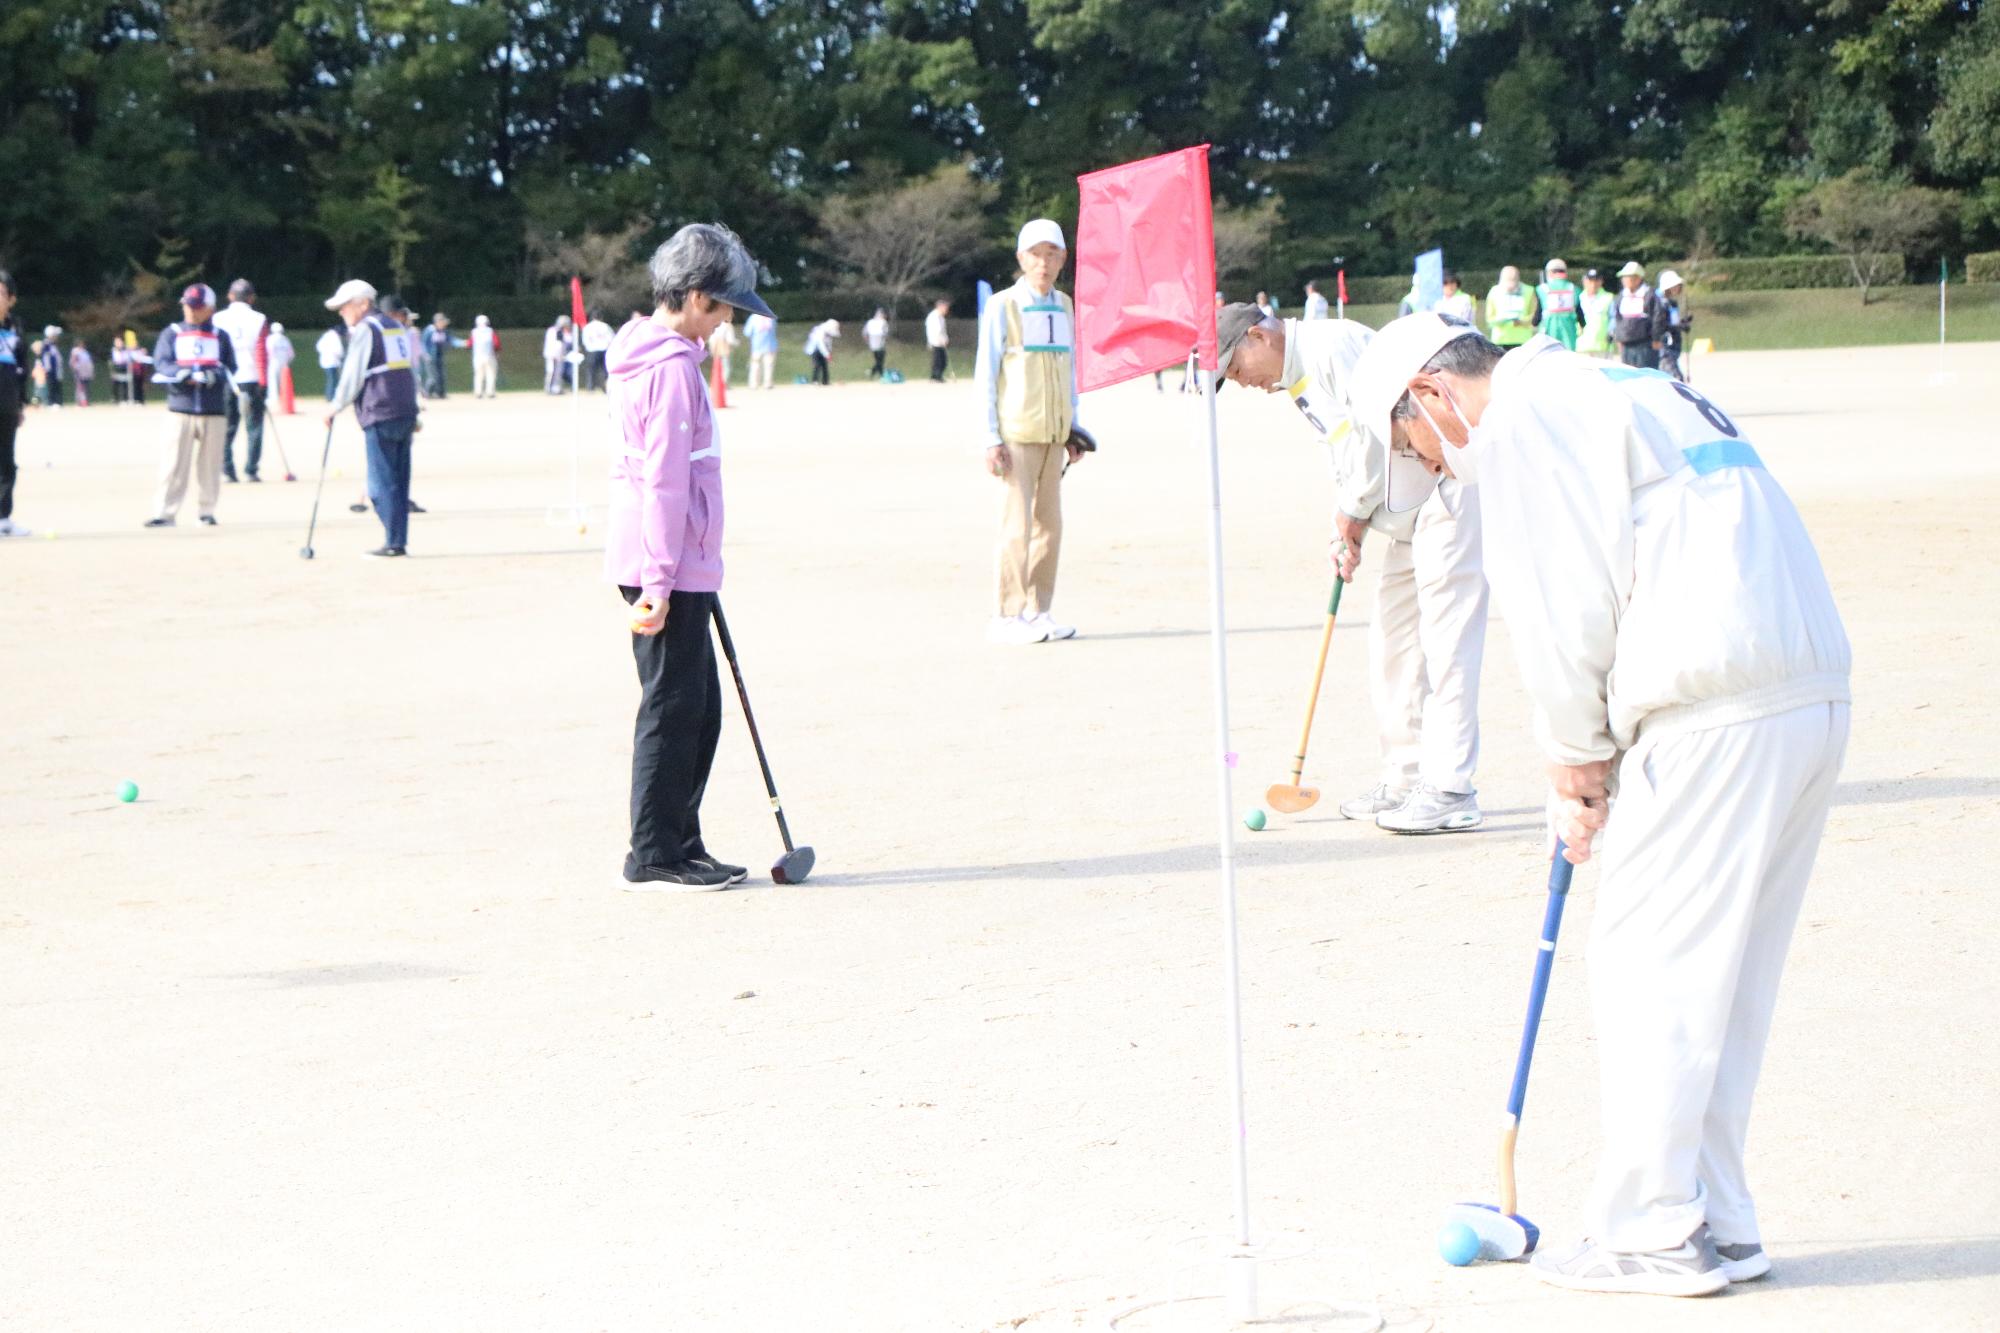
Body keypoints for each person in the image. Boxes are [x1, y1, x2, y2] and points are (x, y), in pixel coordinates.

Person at [1347, 313, 1849, 1298]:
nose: (1438, 471)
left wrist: (1575, 757)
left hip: (1712, 700)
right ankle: (1718, 1218)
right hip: (1805, 690)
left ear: (1432, 396)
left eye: (1417, 449)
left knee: (1646, 963)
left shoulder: (1522, 421)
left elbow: (1558, 596)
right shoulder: (1615, 385)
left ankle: (1650, 1230)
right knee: (1722, 979)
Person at [1216, 303, 1487, 832]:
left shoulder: (1330, 346)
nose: (1240, 381)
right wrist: (1354, 523)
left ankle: (1451, 786)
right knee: (1393, 647)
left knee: (1448, 646)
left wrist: (1352, 510)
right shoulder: (1296, 376)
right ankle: (1406, 778)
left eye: (1235, 366)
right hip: (1402, 513)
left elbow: (1376, 433)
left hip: (1443, 490)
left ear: (1257, 335)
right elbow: (1348, 454)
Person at [606, 222, 774, 891]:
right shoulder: (672, 369)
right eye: (728, 303)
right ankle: (653, 851)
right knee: (675, 706)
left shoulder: (648, 352)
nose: (731, 316)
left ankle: (680, 838)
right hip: (662, 565)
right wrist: (664, 579)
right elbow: (665, 482)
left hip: (674, 559)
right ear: (698, 297)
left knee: (698, 706)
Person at [976, 218, 1089, 645]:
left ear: (1062, 258)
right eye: (1036, 254)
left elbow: (1070, 368)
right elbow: (986, 372)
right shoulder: (1002, 305)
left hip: (1055, 433)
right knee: (1016, 526)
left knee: (1050, 526)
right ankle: (1006, 615)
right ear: (1021, 258)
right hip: (1017, 432)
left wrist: (1074, 429)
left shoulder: (1064, 304)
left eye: (1052, 254)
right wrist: (990, 436)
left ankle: (1039, 611)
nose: (1044, 263)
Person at [324, 281, 421, 558]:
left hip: (380, 409)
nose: (342, 312)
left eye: (345, 306)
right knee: (399, 481)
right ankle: (397, 540)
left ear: (363, 304)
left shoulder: (367, 329)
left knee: (379, 484)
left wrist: (335, 407)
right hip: (404, 410)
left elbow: (353, 373)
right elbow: (408, 371)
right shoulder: (396, 327)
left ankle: (393, 541)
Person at [143, 283, 236, 529]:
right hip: (180, 408)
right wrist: (182, 373)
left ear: (210, 309)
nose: (191, 311)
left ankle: (206, 511)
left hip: (213, 409)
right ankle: (165, 512)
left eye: (197, 307)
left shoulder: (220, 335)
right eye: (187, 306)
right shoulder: (172, 332)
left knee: (210, 465)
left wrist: (215, 375)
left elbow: (230, 367)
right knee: (172, 464)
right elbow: (162, 363)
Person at [212, 278, 270, 482]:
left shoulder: (217, 318)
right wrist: (264, 381)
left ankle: (227, 470)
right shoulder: (259, 318)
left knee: (226, 426)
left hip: (227, 379)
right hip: (252, 378)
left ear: (230, 296)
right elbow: (262, 351)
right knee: (254, 426)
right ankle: (251, 470)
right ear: (251, 298)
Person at [0, 270, 28, 537]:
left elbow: (23, 369)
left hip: (7, 405)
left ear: (11, 299)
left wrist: (21, 405)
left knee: (7, 462)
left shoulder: (16, 329)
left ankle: (3, 517)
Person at [1612, 261, 1667, 369]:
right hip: (1626, 344)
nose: (1625, 280)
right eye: (1624, 277)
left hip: (1645, 344)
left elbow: (1658, 317)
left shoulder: (1650, 295)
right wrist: (1618, 338)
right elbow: (1617, 318)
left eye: (1629, 277)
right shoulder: (1621, 296)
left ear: (1638, 278)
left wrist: (1656, 338)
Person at [1484, 266, 1539, 348]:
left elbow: (1534, 316)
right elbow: (1489, 319)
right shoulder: (1494, 292)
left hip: (1523, 340)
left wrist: (1521, 322)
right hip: (1500, 340)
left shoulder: (1529, 291)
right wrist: (1501, 320)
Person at [1536, 258, 1580, 350]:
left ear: (1549, 272)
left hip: (1548, 328)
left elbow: (1538, 312)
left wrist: (1534, 324)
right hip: (1569, 329)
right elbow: (1579, 311)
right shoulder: (1573, 288)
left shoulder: (1542, 289)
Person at [1657, 269, 1692, 381]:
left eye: (1678, 285)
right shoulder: (1659, 303)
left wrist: (1682, 323)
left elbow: (1672, 322)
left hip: (1673, 348)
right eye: (1674, 286)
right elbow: (1660, 325)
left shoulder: (1672, 303)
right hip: (1664, 348)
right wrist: (1678, 327)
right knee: (1676, 380)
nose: (1677, 288)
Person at [423, 313, 465, 399]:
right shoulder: (429, 330)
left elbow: (451, 340)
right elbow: (423, 343)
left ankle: (440, 393)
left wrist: (462, 343)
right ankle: (427, 393)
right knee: (432, 377)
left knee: (441, 376)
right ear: (437, 322)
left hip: (439, 357)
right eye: (442, 322)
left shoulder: (444, 332)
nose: (444, 324)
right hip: (430, 357)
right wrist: (425, 354)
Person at [1576, 269, 1615, 359]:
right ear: (1584, 281)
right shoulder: (1578, 298)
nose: (1593, 284)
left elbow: (1613, 318)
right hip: (1581, 346)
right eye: (1590, 281)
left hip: (1602, 346)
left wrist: (1611, 333)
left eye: (1596, 280)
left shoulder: (1608, 297)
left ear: (1601, 282)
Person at [582, 311, 615, 391]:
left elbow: (585, 339)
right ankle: (606, 387)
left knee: (591, 370)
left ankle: (590, 387)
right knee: (605, 371)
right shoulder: (605, 326)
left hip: (592, 350)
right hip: (604, 350)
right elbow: (612, 338)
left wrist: (588, 347)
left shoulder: (588, 327)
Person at [744, 310, 777, 389]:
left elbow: (747, 332)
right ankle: (767, 383)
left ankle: (754, 384)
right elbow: (774, 331)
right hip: (770, 345)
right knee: (768, 365)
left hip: (757, 345)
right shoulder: (771, 318)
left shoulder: (753, 318)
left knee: (755, 365)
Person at [469, 315, 501, 397]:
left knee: (478, 375)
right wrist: (497, 352)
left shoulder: (474, 332)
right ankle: (490, 392)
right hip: (489, 355)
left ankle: (478, 392)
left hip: (477, 357)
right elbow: (496, 344)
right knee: (490, 374)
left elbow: (470, 344)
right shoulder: (490, 331)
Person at [265, 321, 295, 407]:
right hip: (284, 362)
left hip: (274, 362)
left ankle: (273, 398)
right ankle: (284, 398)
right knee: (283, 381)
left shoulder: (270, 339)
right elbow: (291, 353)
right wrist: (287, 361)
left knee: (272, 380)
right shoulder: (285, 339)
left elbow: (269, 351)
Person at [706, 313, 738, 386]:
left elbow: (711, 338)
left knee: (716, 367)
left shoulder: (715, 324)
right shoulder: (728, 326)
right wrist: (737, 343)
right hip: (724, 347)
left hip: (715, 347)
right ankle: (724, 383)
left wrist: (712, 348)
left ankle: (716, 383)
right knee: (726, 366)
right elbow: (730, 340)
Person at [316, 323, 346, 400]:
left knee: (330, 379)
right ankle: (331, 396)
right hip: (333, 361)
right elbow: (339, 351)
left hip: (324, 361)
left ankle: (330, 395)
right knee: (333, 380)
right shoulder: (335, 337)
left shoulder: (326, 335)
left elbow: (318, 346)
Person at [804, 318, 839, 385]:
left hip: (823, 349)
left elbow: (829, 342)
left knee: (825, 365)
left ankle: (825, 381)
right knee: (817, 365)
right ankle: (815, 381)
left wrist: (829, 352)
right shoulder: (820, 330)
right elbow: (820, 344)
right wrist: (827, 354)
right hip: (815, 349)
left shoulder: (829, 332)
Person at [544, 315, 571, 394]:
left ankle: (557, 388)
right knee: (551, 372)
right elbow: (557, 344)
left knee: (559, 373)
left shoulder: (563, 332)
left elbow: (568, 341)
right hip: (552, 355)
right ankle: (549, 388)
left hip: (560, 356)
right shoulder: (553, 331)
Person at [37, 327, 64, 408]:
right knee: (52, 385)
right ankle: (52, 402)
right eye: (55, 335)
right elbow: (45, 358)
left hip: (56, 369)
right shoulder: (46, 344)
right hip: (51, 369)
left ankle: (58, 402)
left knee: (57, 385)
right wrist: (47, 368)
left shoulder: (53, 345)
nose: (57, 337)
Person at [925, 298, 950, 380]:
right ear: (940, 307)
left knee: (943, 360)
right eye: (945, 308)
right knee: (938, 360)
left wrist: (946, 339)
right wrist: (941, 339)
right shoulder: (933, 316)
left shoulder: (941, 317)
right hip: (935, 341)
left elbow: (943, 330)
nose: (946, 310)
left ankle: (937, 375)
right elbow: (936, 330)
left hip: (941, 341)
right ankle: (936, 376)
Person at [863, 307, 889, 379]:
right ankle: (873, 372)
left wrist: (868, 341)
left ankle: (877, 374)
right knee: (880, 361)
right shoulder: (883, 322)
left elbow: (865, 333)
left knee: (878, 360)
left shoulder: (870, 322)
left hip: (872, 343)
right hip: (880, 343)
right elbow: (885, 333)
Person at [68, 341, 94, 407]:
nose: (82, 345)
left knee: (86, 388)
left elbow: (89, 363)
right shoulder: (75, 352)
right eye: (80, 344)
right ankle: (79, 402)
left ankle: (86, 401)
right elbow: (73, 362)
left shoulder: (85, 352)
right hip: (79, 373)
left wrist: (91, 372)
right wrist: (75, 369)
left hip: (86, 373)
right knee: (80, 388)